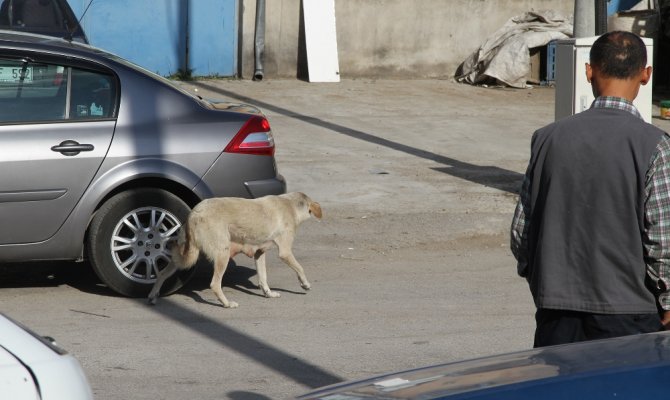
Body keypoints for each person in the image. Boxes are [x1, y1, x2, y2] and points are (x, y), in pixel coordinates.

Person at [510, 31, 670, 347]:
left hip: (556, 312)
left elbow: (521, 232)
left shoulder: (547, 138)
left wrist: (546, 284)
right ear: (646, 74)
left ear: (589, 71)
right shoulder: (655, 146)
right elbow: (662, 241)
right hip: (629, 313)